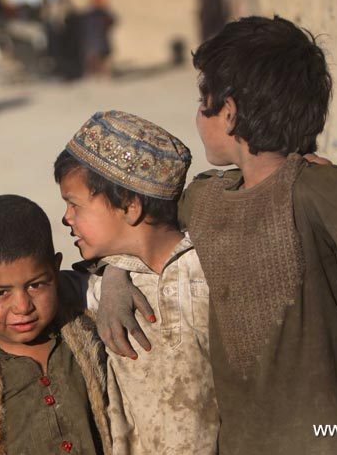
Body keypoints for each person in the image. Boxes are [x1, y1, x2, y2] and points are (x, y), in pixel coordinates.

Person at [104, 16, 337, 454]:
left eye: (205, 101)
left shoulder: (316, 191)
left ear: (230, 113)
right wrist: (114, 275)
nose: (198, 113)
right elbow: (144, 232)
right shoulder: (204, 199)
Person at [54, 111, 218, 455]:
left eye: (74, 205)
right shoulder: (104, 286)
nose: (66, 218)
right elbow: (33, 289)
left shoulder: (209, 273)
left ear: (130, 206)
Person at [0, 195, 112, 455]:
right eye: (0, 293)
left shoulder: (93, 337)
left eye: (35, 285)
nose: (22, 306)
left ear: (55, 270)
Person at [78, 0, 117, 78]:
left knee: (104, 72)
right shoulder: (88, 13)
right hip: (91, 48)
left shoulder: (105, 12)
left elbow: (112, 22)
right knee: (92, 72)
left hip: (103, 46)